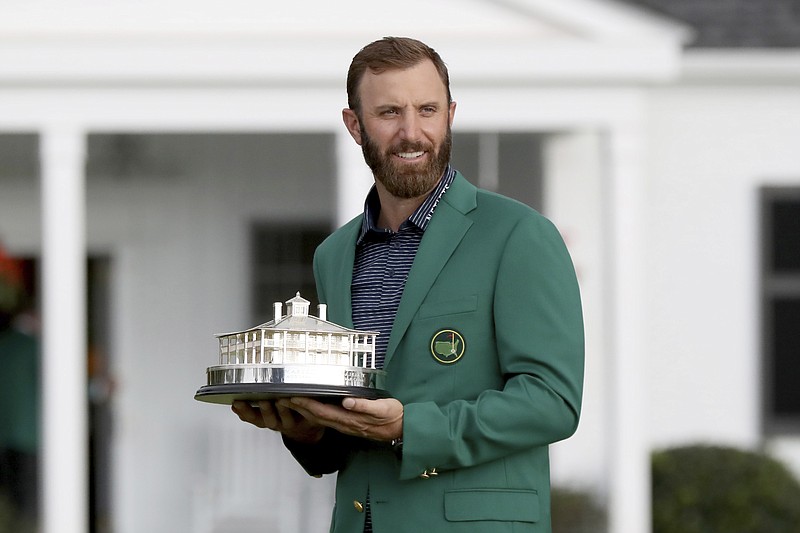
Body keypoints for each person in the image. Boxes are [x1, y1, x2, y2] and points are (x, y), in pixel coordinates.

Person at [232, 36, 584, 533]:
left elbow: (553, 402)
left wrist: (409, 428)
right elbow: (354, 412)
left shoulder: (519, 236)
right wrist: (309, 431)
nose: (411, 132)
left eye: (427, 109)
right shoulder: (333, 255)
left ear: (451, 114)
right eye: (390, 112)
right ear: (355, 126)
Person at [0, 243, 39, 531]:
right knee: (31, 502)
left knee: (12, 497)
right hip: (31, 437)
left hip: (5, 434)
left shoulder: (4, 345)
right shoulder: (37, 348)